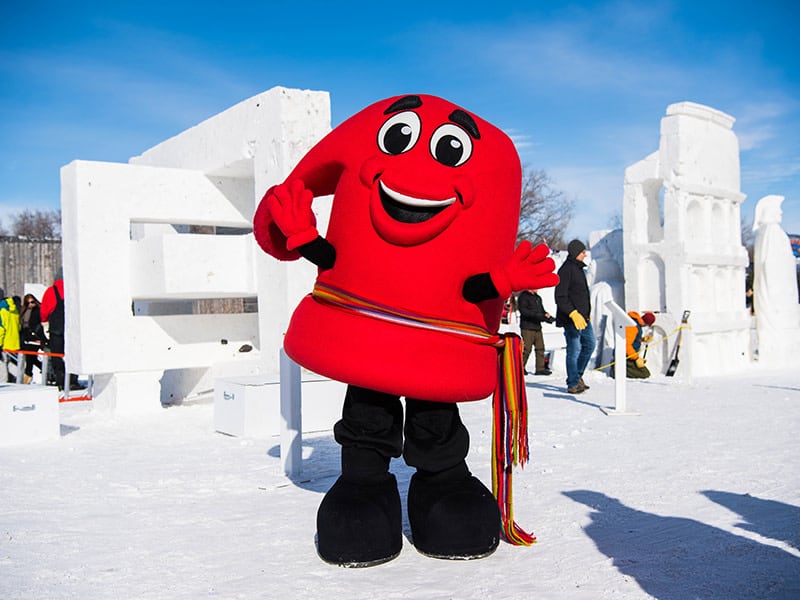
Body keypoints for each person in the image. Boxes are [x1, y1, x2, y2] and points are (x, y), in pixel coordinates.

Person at [555, 239, 595, 394]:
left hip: (583, 319)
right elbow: (560, 296)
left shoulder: (578, 269)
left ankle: (577, 376)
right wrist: (573, 313)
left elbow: (581, 296)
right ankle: (572, 383)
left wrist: (586, 314)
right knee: (574, 350)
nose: (585, 254)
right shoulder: (566, 270)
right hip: (571, 319)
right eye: (582, 252)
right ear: (575, 253)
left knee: (590, 345)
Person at [40, 276, 84, 391]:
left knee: (57, 356)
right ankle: (73, 381)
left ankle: (60, 381)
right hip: (72, 329)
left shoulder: (51, 291)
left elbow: (44, 310)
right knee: (72, 355)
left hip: (56, 330)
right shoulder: (74, 289)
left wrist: (45, 324)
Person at [518, 288, 554, 375]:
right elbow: (524, 312)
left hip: (537, 327)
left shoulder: (538, 298)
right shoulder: (523, 297)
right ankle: (520, 368)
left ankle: (540, 368)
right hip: (527, 327)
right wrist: (539, 316)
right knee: (526, 349)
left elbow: (541, 311)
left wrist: (548, 318)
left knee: (540, 348)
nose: (537, 289)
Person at [19, 293, 47, 384]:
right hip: (27, 337)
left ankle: (28, 376)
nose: (31, 304)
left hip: (36, 337)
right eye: (28, 303)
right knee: (31, 358)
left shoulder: (38, 310)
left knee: (30, 358)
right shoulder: (24, 311)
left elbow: (39, 325)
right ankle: (45, 370)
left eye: (32, 302)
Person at [625, 311, 655, 379]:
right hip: (626, 358)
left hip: (630, 356)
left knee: (645, 373)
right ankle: (618, 371)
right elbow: (626, 345)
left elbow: (632, 339)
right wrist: (636, 358)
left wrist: (642, 339)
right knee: (645, 374)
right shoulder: (632, 326)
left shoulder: (636, 324)